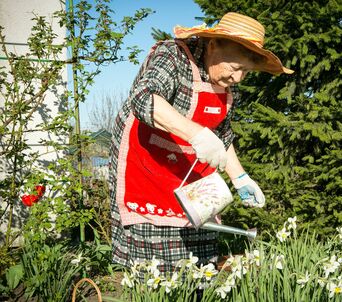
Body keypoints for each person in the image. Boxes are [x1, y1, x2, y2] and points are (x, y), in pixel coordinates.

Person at [109, 12, 293, 279]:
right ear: (213, 45)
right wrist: (196, 134)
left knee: (199, 250)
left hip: (189, 169)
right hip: (145, 163)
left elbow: (223, 135)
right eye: (234, 68)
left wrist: (240, 177)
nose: (239, 78)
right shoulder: (173, 56)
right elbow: (143, 97)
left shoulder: (228, 87)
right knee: (157, 263)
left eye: (246, 72)